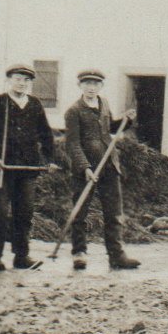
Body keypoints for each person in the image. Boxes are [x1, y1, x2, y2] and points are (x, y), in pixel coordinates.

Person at [0, 64, 57, 271]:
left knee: (25, 212)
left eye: (26, 80)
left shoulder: (35, 105)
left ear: (30, 83)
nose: (22, 83)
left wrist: (49, 158)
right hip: (3, 168)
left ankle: (22, 256)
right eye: (18, 79)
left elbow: (46, 135)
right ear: (10, 80)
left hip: (27, 168)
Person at [62, 69, 141, 272]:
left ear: (101, 86)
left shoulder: (104, 103)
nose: (91, 87)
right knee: (80, 212)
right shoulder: (73, 111)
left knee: (114, 212)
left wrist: (126, 120)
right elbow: (72, 144)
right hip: (85, 169)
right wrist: (85, 167)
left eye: (95, 84)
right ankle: (79, 253)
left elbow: (110, 130)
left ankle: (117, 255)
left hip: (109, 165)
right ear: (80, 86)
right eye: (87, 83)